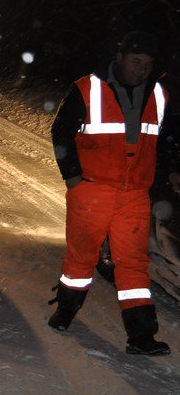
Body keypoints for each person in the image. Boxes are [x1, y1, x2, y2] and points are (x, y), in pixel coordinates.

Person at [48, 30, 180, 356]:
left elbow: (162, 140)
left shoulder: (158, 94)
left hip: (134, 195)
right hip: (92, 190)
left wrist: (170, 169)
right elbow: (61, 132)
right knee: (82, 258)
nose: (141, 69)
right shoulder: (88, 89)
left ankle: (140, 336)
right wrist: (73, 179)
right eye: (136, 61)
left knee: (133, 264)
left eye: (147, 63)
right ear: (119, 57)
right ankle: (65, 310)